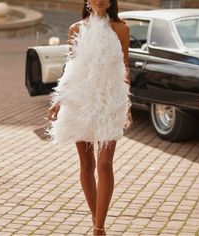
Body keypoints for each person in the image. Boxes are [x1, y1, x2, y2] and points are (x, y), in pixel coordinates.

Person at [46, 0, 132, 235]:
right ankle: (98, 223)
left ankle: (98, 228)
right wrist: (58, 101)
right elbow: (71, 68)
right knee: (86, 165)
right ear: (87, 0)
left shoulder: (121, 28)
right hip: (80, 99)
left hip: (109, 101)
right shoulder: (76, 28)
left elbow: (124, 67)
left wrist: (127, 103)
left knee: (104, 165)